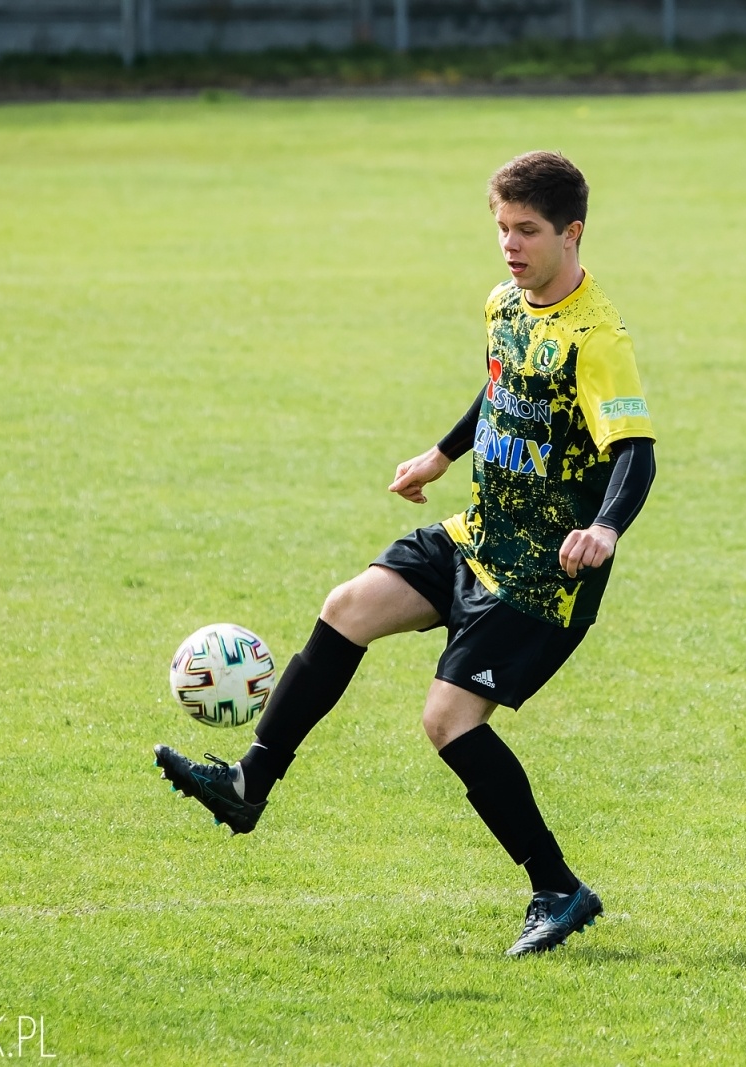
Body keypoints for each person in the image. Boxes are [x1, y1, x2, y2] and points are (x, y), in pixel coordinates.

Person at [154, 150, 657, 957]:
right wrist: (440, 454)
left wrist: (604, 528)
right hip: (477, 534)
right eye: (501, 227)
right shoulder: (504, 303)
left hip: (540, 576)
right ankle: (249, 784)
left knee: (447, 720)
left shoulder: (599, 338)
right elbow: (501, 386)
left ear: (572, 233)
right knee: (347, 605)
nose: (509, 245)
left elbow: (635, 451)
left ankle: (557, 886)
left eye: (527, 230)